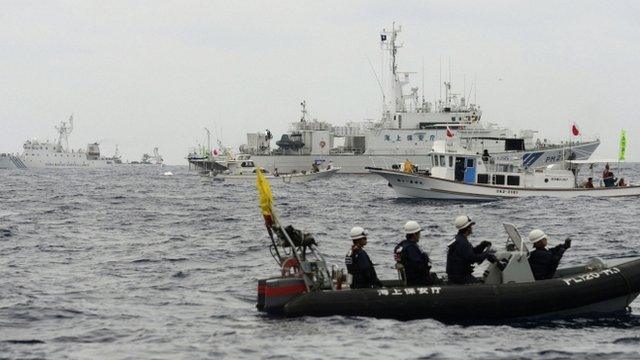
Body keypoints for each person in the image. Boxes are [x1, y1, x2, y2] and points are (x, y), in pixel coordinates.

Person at [446, 215, 497, 284]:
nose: (471, 228)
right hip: (461, 277)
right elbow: (472, 258)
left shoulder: (459, 239)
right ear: (468, 228)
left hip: (455, 275)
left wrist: (481, 246)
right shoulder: (462, 242)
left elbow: (469, 253)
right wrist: (486, 255)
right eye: (470, 226)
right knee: (480, 288)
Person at [394, 221, 434, 285]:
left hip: (406, 279)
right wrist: (425, 260)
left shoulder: (399, 246)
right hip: (416, 281)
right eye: (419, 233)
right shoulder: (411, 248)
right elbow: (419, 267)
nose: (419, 236)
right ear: (415, 234)